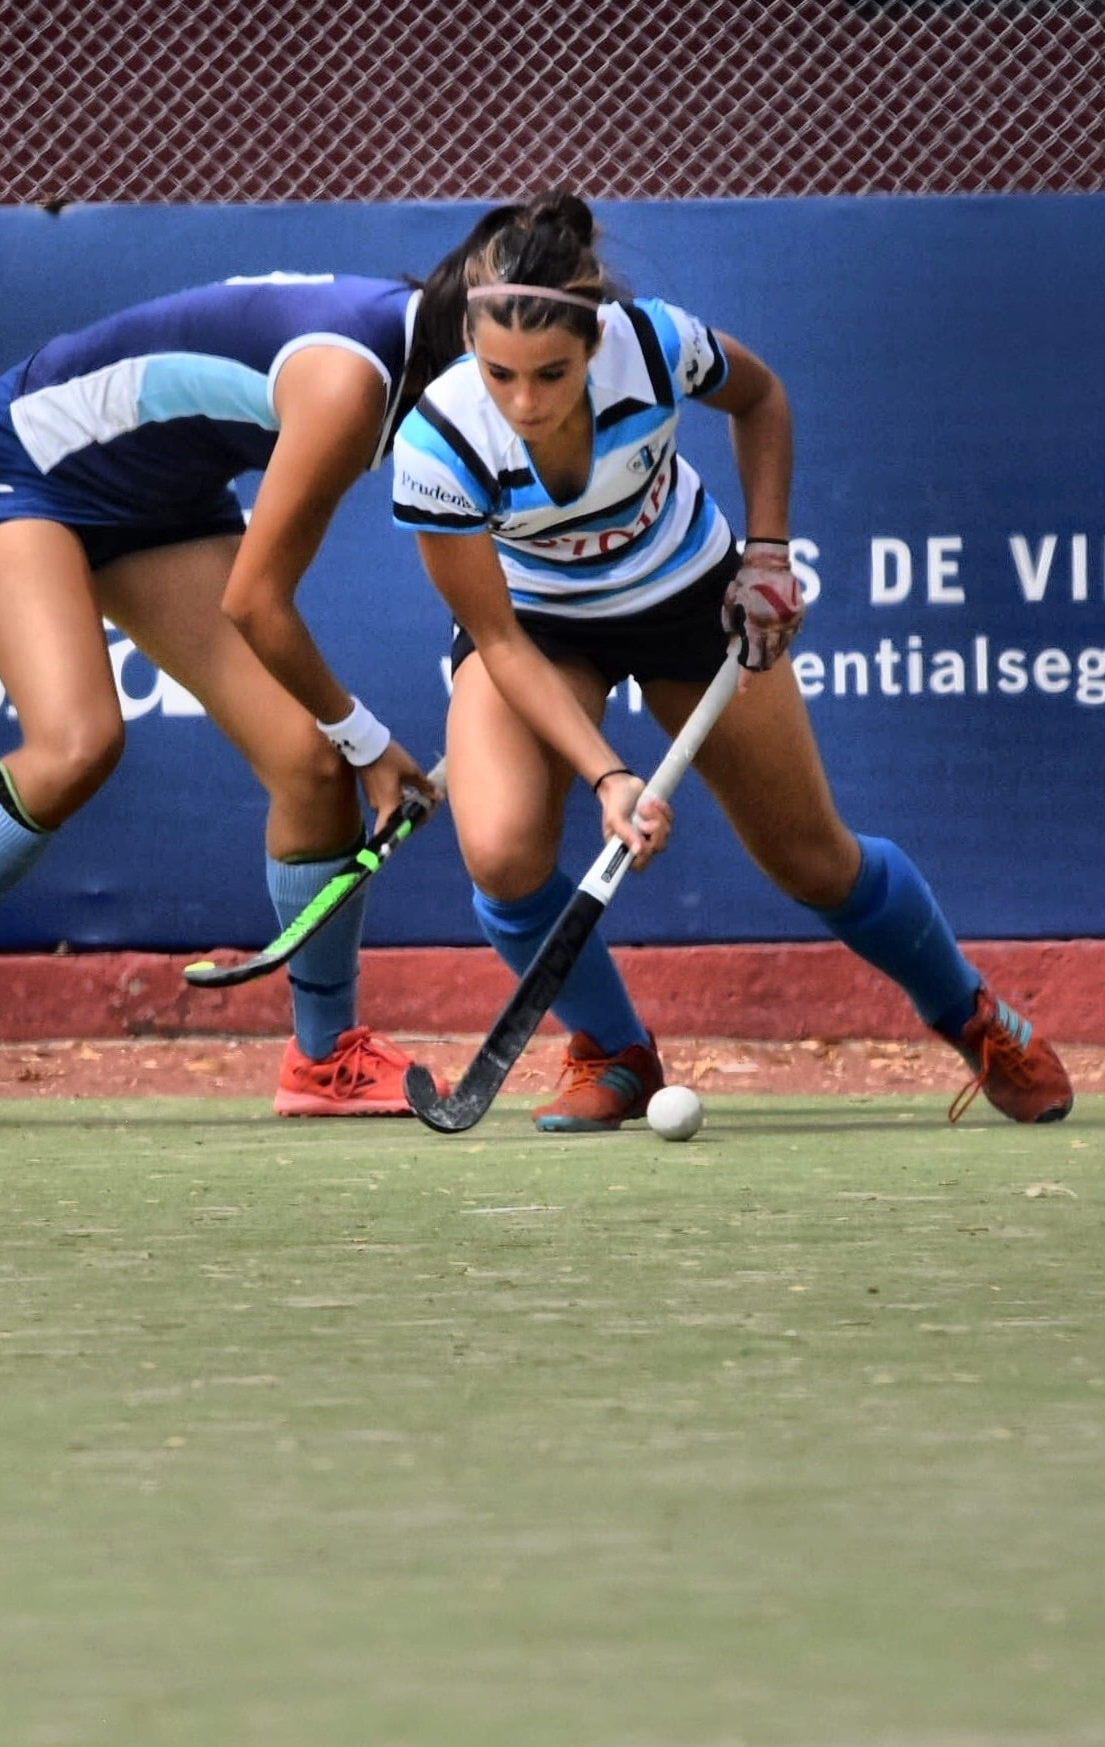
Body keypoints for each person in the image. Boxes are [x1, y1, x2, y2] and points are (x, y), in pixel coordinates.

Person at [390, 191, 1073, 1131]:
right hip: (537, 628)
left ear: (595, 340)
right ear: (471, 343)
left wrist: (769, 554)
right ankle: (616, 1053)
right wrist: (609, 776)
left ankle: (972, 1015)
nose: (525, 403)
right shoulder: (437, 442)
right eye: (500, 373)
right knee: (502, 852)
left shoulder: (656, 344)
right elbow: (499, 639)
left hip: (685, 599)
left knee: (813, 861)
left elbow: (761, 399)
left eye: (552, 374)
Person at [0, 261, 480, 1115]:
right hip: (24, 467)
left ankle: (325, 1059)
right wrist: (370, 740)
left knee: (309, 765)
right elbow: (257, 601)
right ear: (469, 340)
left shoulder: (455, 365)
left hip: (165, 506)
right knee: (79, 742)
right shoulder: (352, 380)